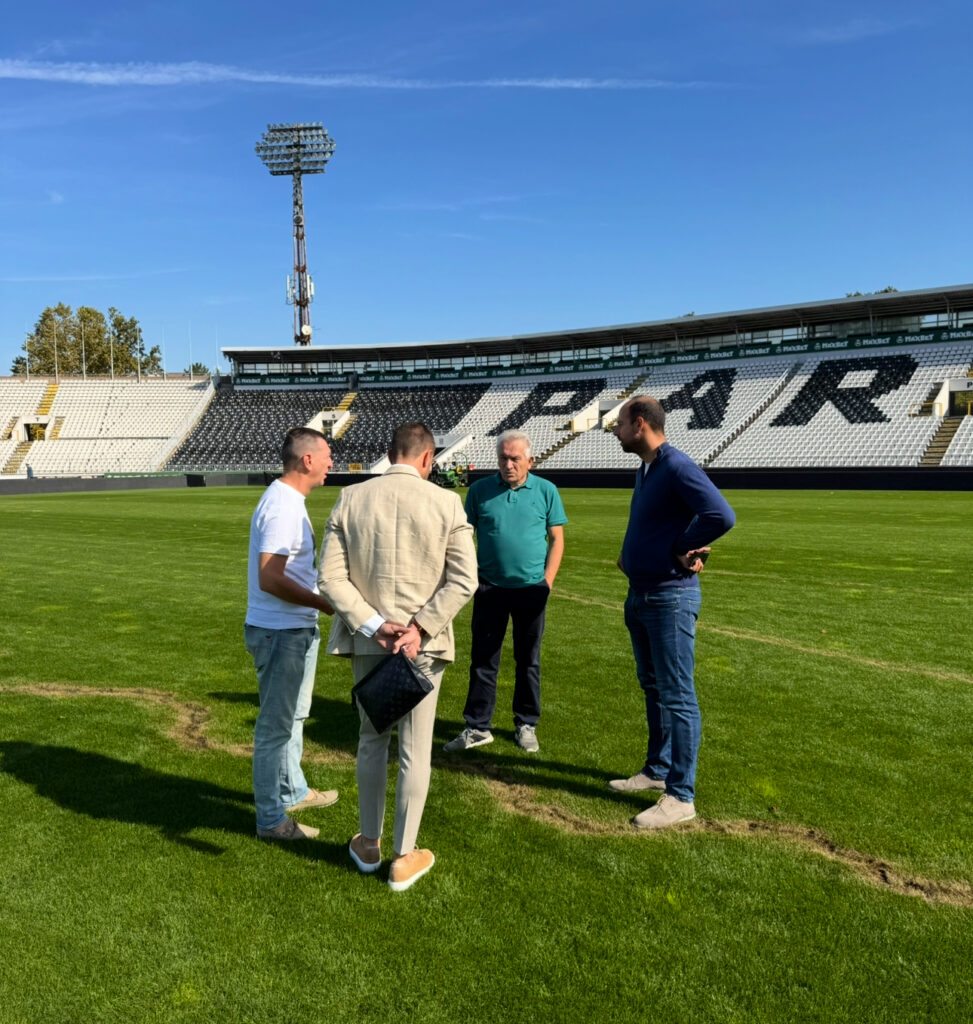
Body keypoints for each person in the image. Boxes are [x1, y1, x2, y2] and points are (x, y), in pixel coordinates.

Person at [318, 422, 477, 891]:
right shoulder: (446, 501)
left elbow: (330, 579)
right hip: (421, 645)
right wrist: (421, 626)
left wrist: (372, 623)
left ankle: (369, 843)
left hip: (371, 641)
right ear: (428, 459)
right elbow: (465, 579)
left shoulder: (352, 498)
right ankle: (403, 856)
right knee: (415, 749)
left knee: (371, 738)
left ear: (390, 454)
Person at [610, 397, 735, 829]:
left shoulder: (677, 465)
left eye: (620, 423)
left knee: (678, 694)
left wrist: (684, 546)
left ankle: (681, 796)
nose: (615, 430)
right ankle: (657, 770)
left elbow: (721, 515)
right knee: (654, 687)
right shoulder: (647, 468)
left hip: (670, 597)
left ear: (639, 425)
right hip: (641, 594)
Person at [444, 430, 567, 755]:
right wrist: (470, 576)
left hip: (531, 591)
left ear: (530, 460)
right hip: (489, 588)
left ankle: (526, 723)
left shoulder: (546, 491)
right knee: (483, 660)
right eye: (503, 458)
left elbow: (557, 539)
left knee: (528, 660)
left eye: (515, 458)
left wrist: (547, 582)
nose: (508, 464)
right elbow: (464, 538)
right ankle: (477, 726)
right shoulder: (480, 491)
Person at [245, 426, 338, 841]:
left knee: (294, 717)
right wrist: (323, 603)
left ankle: (293, 790)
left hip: (290, 629)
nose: (332, 463)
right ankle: (270, 819)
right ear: (307, 460)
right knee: (275, 728)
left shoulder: (288, 500)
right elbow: (270, 577)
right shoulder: (283, 506)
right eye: (327, 456)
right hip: (281, 633)